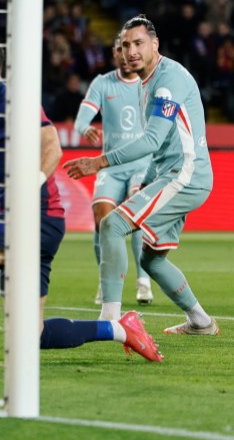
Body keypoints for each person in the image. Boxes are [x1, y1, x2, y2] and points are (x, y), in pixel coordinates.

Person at [0, 33, 162, 371]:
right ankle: (121, 329)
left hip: (36, 218)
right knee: (29, 335)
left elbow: (52, 146)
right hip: (23, 220)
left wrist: (26, 192)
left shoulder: (14, 100)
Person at [64, 15, 218, 336]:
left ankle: (110, 320)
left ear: (154, 44)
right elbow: (157, 150)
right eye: (125, 46)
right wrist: (145, 182)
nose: (131, 51)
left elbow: (151, 140)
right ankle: (201, 322)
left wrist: (99, 163)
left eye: (138, 43)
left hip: (185, 174)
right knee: (152, 260)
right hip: (172, 173)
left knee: (112, 224)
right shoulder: (147, 84)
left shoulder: (168, 79)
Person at [73, 33, 153, 306]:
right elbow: (82, 119)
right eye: (122, 48)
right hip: (111, 165)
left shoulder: (149, 83)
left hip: (142, 163)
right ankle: (104, 277)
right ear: (115, 52)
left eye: (132, 47)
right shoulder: (102, 83)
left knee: (135, 212)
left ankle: (143, 279)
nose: (127, 54)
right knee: (102, 221)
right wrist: (85, 128)